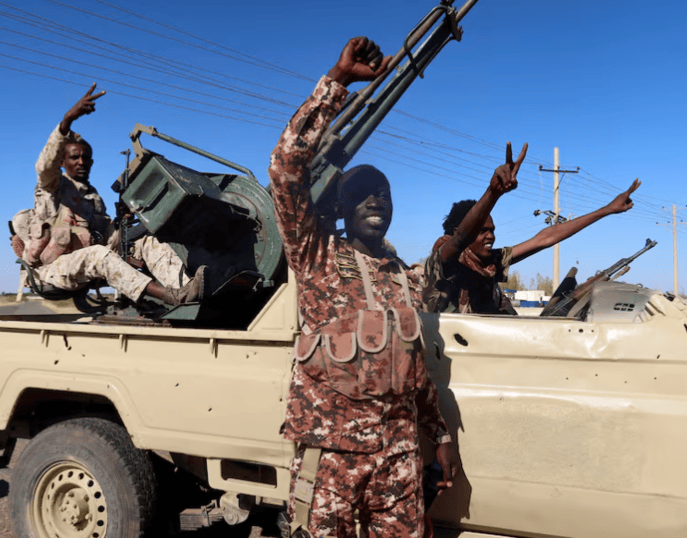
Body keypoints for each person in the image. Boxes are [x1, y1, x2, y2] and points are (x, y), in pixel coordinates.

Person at [269, 37, 459, 538]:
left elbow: (415, 369)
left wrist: (438, 434)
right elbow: (285, 172)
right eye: (363, 193)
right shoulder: (316, 256)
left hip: (397, 456)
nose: (377, 199)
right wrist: (337, 83)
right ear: (341, 207)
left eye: (385, 194)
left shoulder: (401, 275)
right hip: (330, 456)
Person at [11, 84, 205, 306]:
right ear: (63, 162)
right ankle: (172, 297)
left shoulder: (92, 198)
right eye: (74, 158)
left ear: (92, 162)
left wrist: (121, 223)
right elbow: (44, 166)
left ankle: (188, 291)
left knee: (145, 241)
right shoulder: (52, 187)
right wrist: (67, 121)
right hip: (50, 270)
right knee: (98, 256)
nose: (81, 162)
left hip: (83, 262)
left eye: (85, 158)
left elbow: (106, 239)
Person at [422, 146, 640, 315]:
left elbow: (545, 238)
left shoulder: (489, 262)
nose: (490, 236)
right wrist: (493, 193)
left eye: (492, 230)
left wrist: (606, 210)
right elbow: (460, 239)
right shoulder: (443, 261)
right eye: (481, 231)